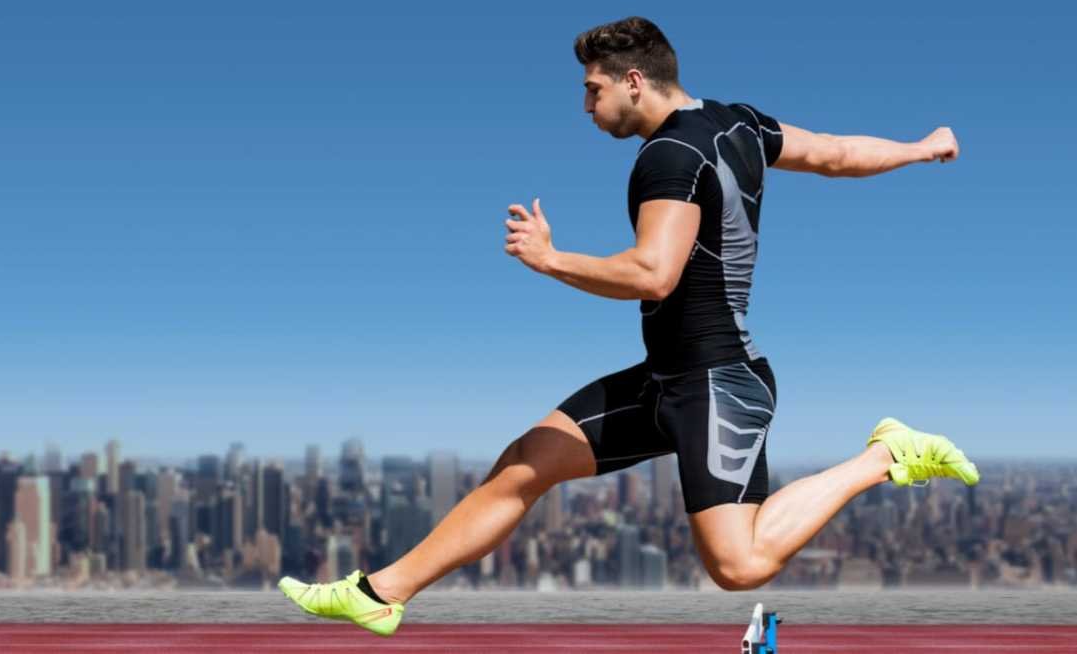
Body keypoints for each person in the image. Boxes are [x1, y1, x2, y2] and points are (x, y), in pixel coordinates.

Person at [278, 16, 978, 637]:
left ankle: (884, 455)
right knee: (526, 461)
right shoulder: (738, 123)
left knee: (739, 566)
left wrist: (550, 259)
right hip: (666, 378)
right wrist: (920, 148)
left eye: (593, 90)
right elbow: (833, 153)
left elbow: (652, 273)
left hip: (718, 384)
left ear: (634, 81)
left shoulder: (668, 156)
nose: (586, 106)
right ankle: (379, 594)